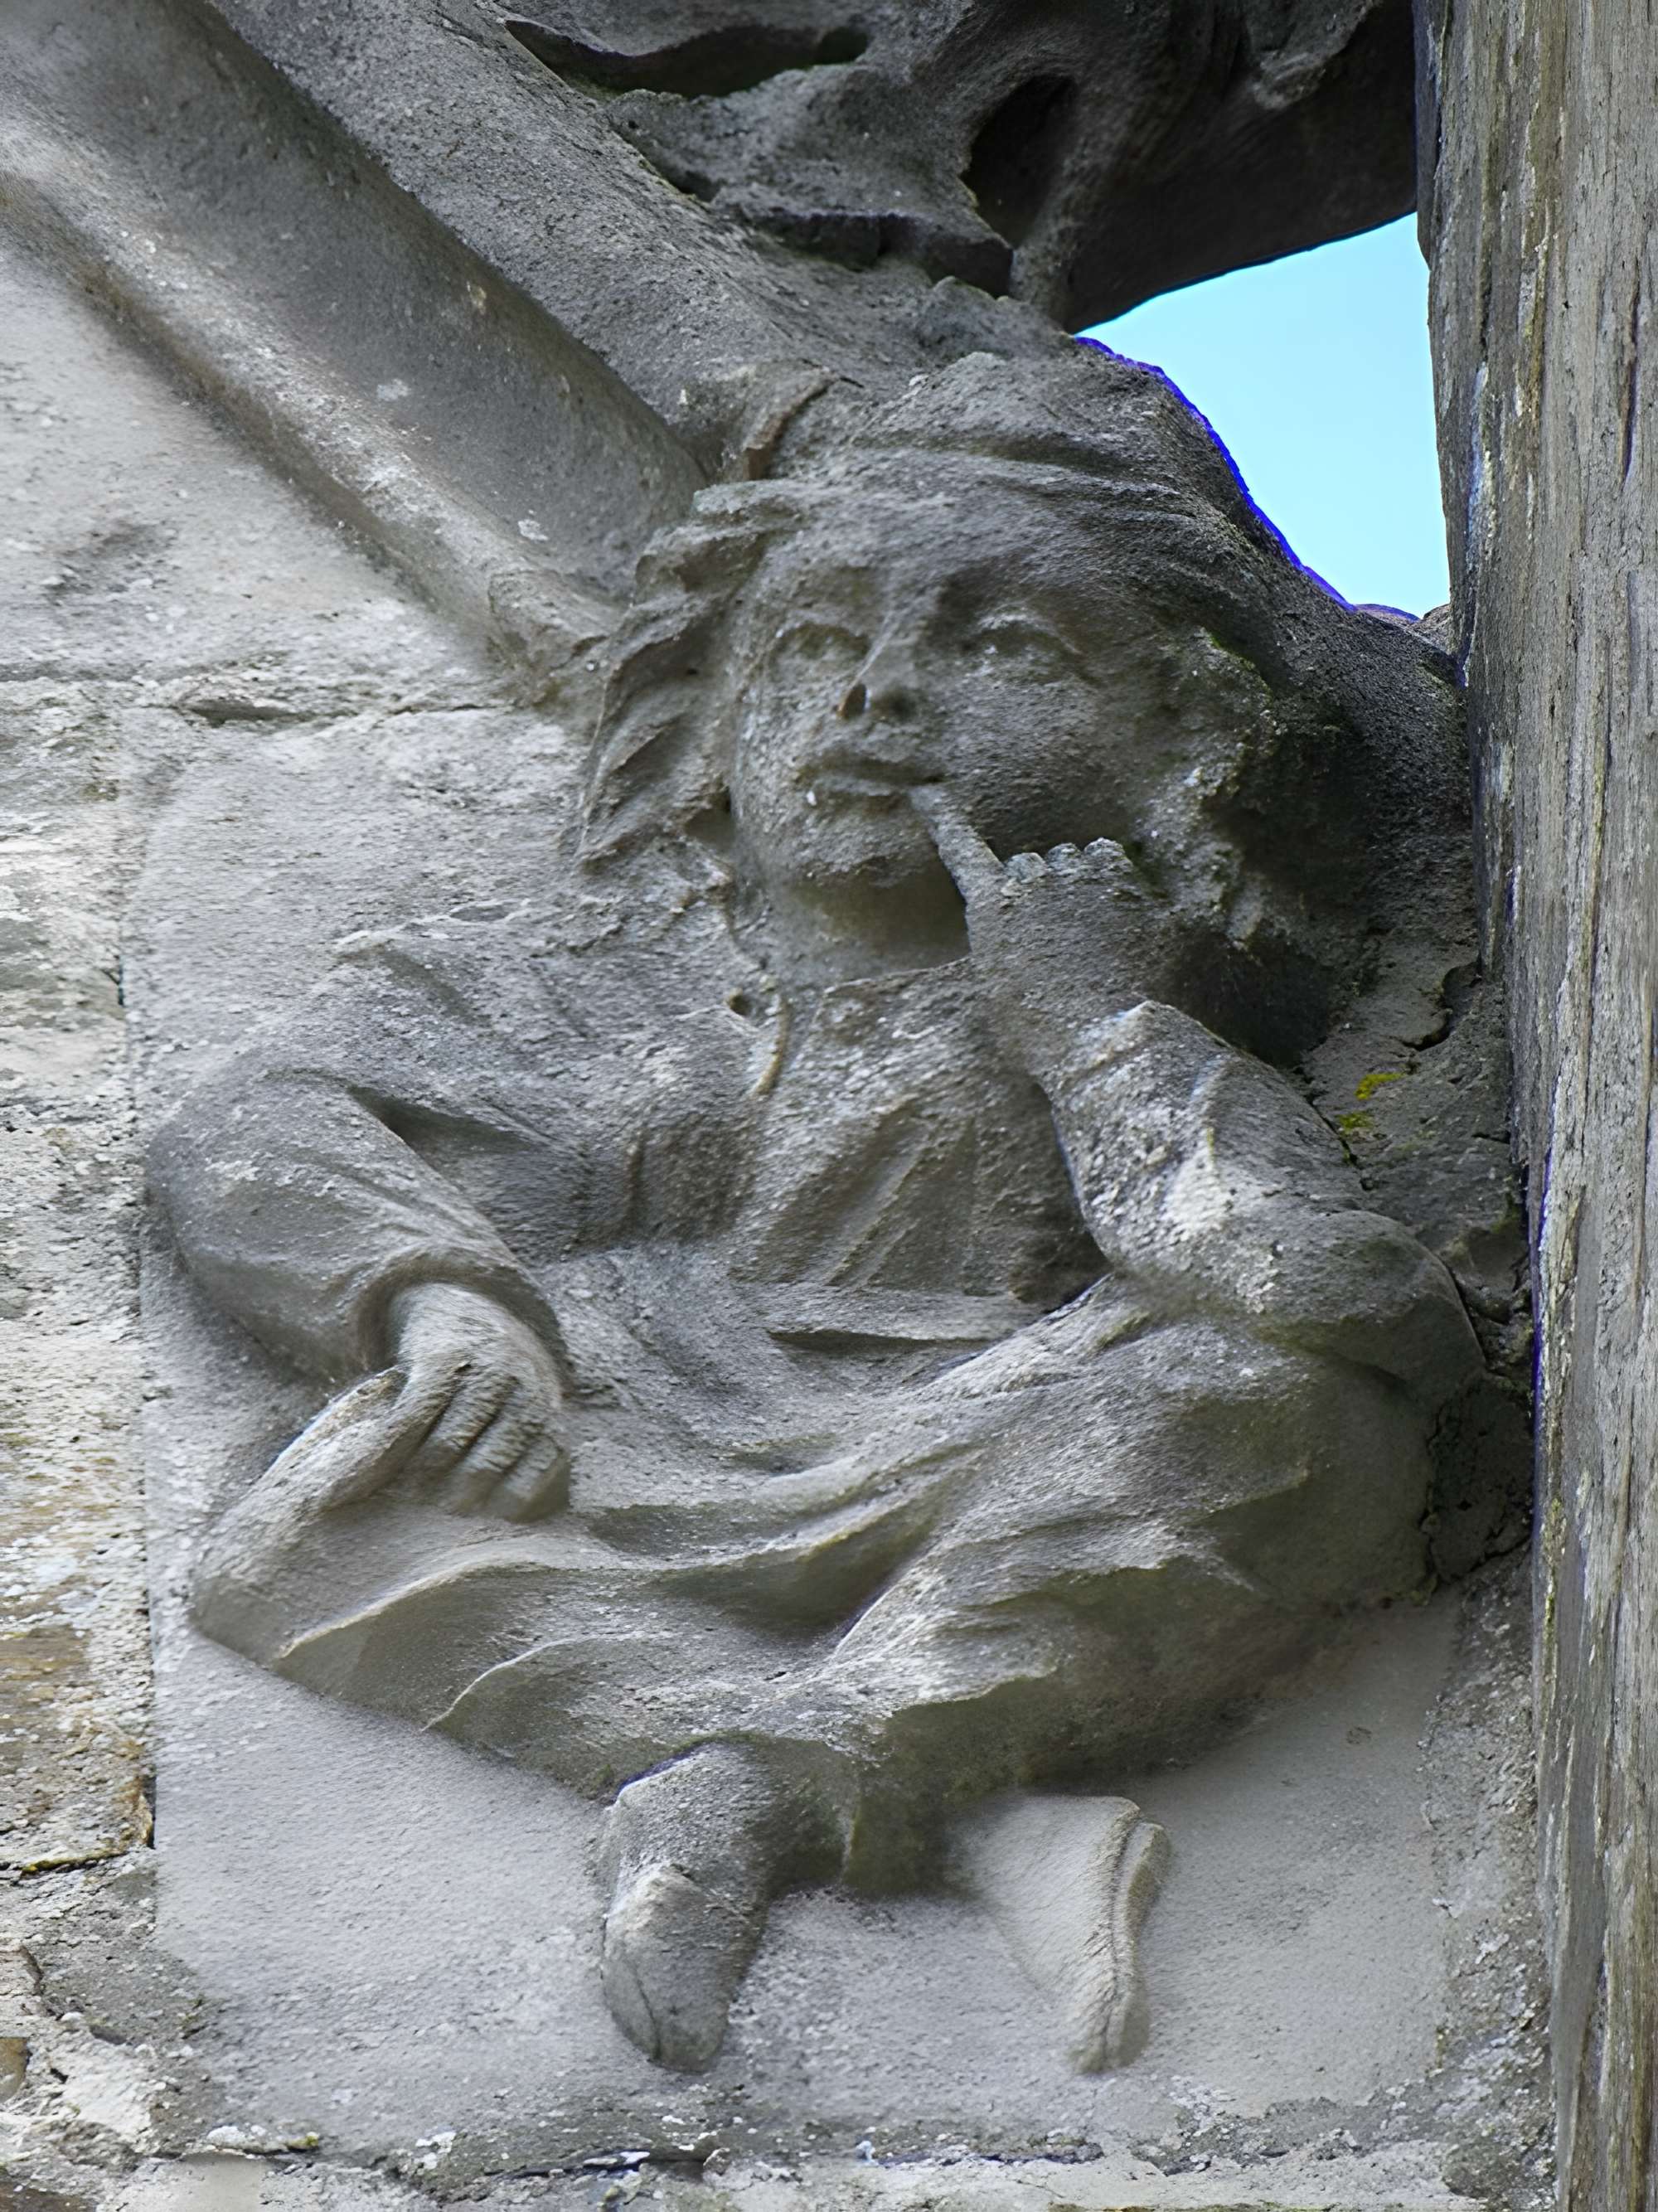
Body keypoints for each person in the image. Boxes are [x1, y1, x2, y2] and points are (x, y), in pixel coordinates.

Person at [152, 349, 1481, 2072]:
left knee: (1296, 1422)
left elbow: (1324, 1283)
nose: (875, 702)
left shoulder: (1139, 991)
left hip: (1008, 1451)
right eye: (813, 644)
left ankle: (742, 1798)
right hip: (632, 1436)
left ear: (1187, 735)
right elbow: (251, 1130)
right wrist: (440, 1293)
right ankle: (948, 1792)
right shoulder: (591, 974)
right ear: (712, 715)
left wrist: (1094, 1030)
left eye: (1002, 647)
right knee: (320, 1521)